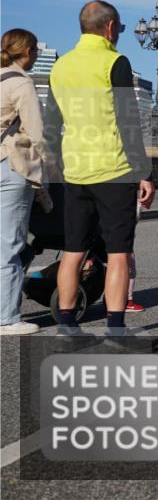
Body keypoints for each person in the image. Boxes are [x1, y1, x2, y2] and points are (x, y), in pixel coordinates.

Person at [46, 0, 157, 336]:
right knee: (118, 252)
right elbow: (127, 121)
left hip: (74, 171)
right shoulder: (115, 62)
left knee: (72, 250)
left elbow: (52, 122)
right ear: (110, 28)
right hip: (113, 169)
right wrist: (144, 172)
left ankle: (66, 328)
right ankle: (115, 330)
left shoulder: (61, 66)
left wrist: (56, 167)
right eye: (119, 29)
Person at [1, 29, 53, 335]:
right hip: (11, 166)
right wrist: (55, 166)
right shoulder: (21, 83)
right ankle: (6, 318)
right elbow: (37, 133)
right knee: (9, 244)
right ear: (29, 52)